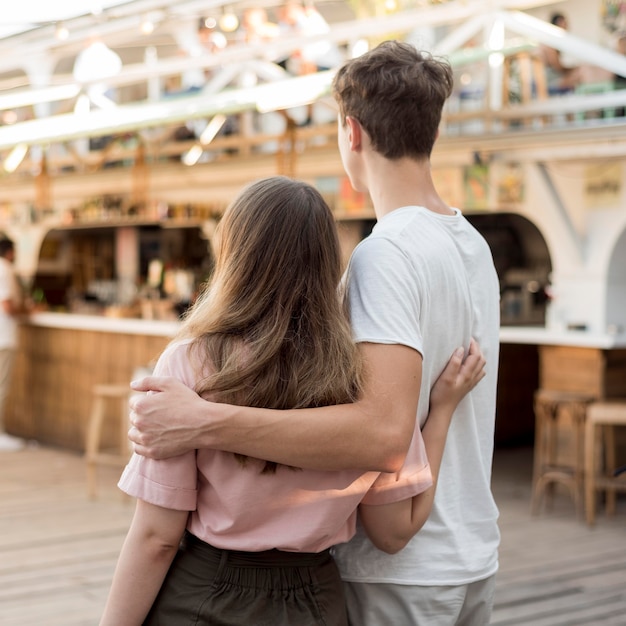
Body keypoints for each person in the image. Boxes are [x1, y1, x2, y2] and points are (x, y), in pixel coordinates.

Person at [129, 40, 501, 625]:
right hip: (468, 546)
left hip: (399, 573)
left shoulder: (386, 255)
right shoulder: (471, 245)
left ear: (350, 132)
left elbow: (380, 431)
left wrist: (205, 421)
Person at [100, 176, 485, 625]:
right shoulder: (363, 379)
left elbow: (155, 538)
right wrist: (441, 412)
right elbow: (394, 531)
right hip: (316, 600)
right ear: (328, 262)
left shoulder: (190, 363)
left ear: (233, 255)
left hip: (205, 594)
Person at [0, 238, 27, 452]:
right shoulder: (5, 269)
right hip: (4, 338)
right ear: (9, 252)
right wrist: (27, 311)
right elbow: (7, 306)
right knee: (1, 387)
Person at [541, 12, 581, 95]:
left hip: (551, 78)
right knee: (579, 74)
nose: (567, 26)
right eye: (565, 23)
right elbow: (558, 68)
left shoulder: (554, 41)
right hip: (547, 83)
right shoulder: (550, 41)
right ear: (559, 22)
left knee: (580, 73)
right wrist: (573, 69)